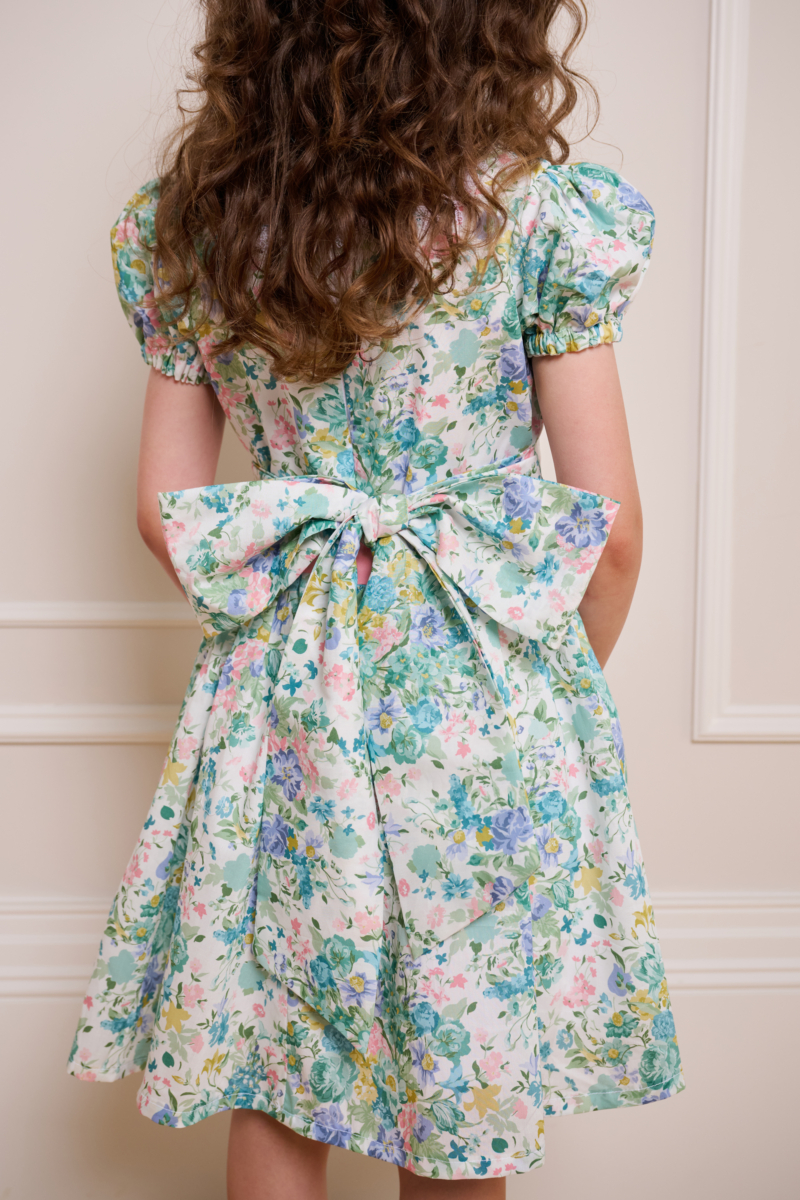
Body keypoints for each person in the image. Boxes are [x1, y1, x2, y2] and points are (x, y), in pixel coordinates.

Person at [68, 1, 684, 1195]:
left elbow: (165, 512)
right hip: (477, 696)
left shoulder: (201, 224)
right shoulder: (536, 215)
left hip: (284, 692)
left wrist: (302, 610)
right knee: (458, 1065)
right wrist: (536, 695)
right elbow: (606, 533)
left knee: (279, 1058)